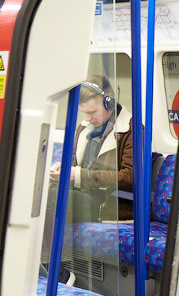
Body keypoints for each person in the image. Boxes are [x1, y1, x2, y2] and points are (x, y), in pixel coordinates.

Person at [50, 75, 133, 221]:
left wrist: (81, 175)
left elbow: (130, 178)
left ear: (109, 103)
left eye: (92, 112)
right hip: (80, 192)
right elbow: (74, 164)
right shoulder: (83, 128)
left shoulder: (131, 130)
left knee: (50, 199)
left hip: (107, 202)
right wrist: (63, 171)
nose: (87, 118)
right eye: (84, 112)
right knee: (38, 193)